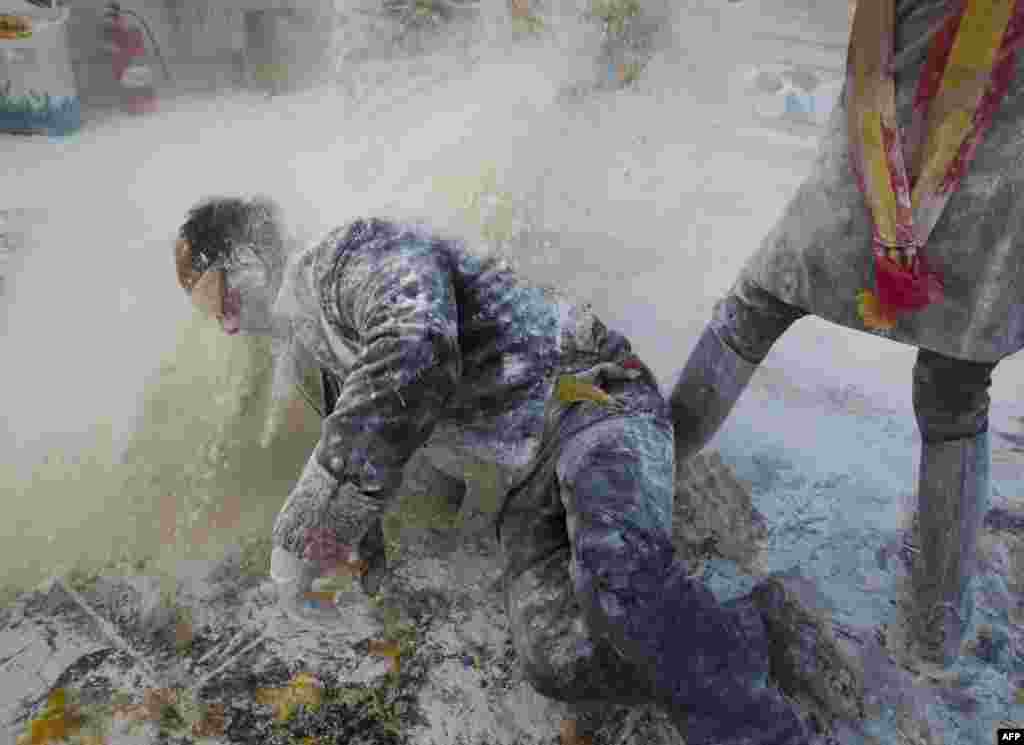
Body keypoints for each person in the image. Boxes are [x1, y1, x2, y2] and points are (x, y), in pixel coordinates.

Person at [173, 197, 860, 744]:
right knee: (552, 654)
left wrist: (300, 530)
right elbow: (372, 451)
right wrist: (345, 568)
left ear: (249, 256)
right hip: (526, 468)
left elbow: (415, 349)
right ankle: (753, 627)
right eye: (210, 314)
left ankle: (768, 728)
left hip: (589, 395)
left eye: (216, 295)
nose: (226, 324)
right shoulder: (307, 352)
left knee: (619, 589)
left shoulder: (349, 252)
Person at [669, 0, 1023, 669]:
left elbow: (870, 62)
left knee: (757, 305)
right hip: (1003, 165)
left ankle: (649, 481)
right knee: (956, 392)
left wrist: (894, 223)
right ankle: (935, 633)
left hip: (906, 126)